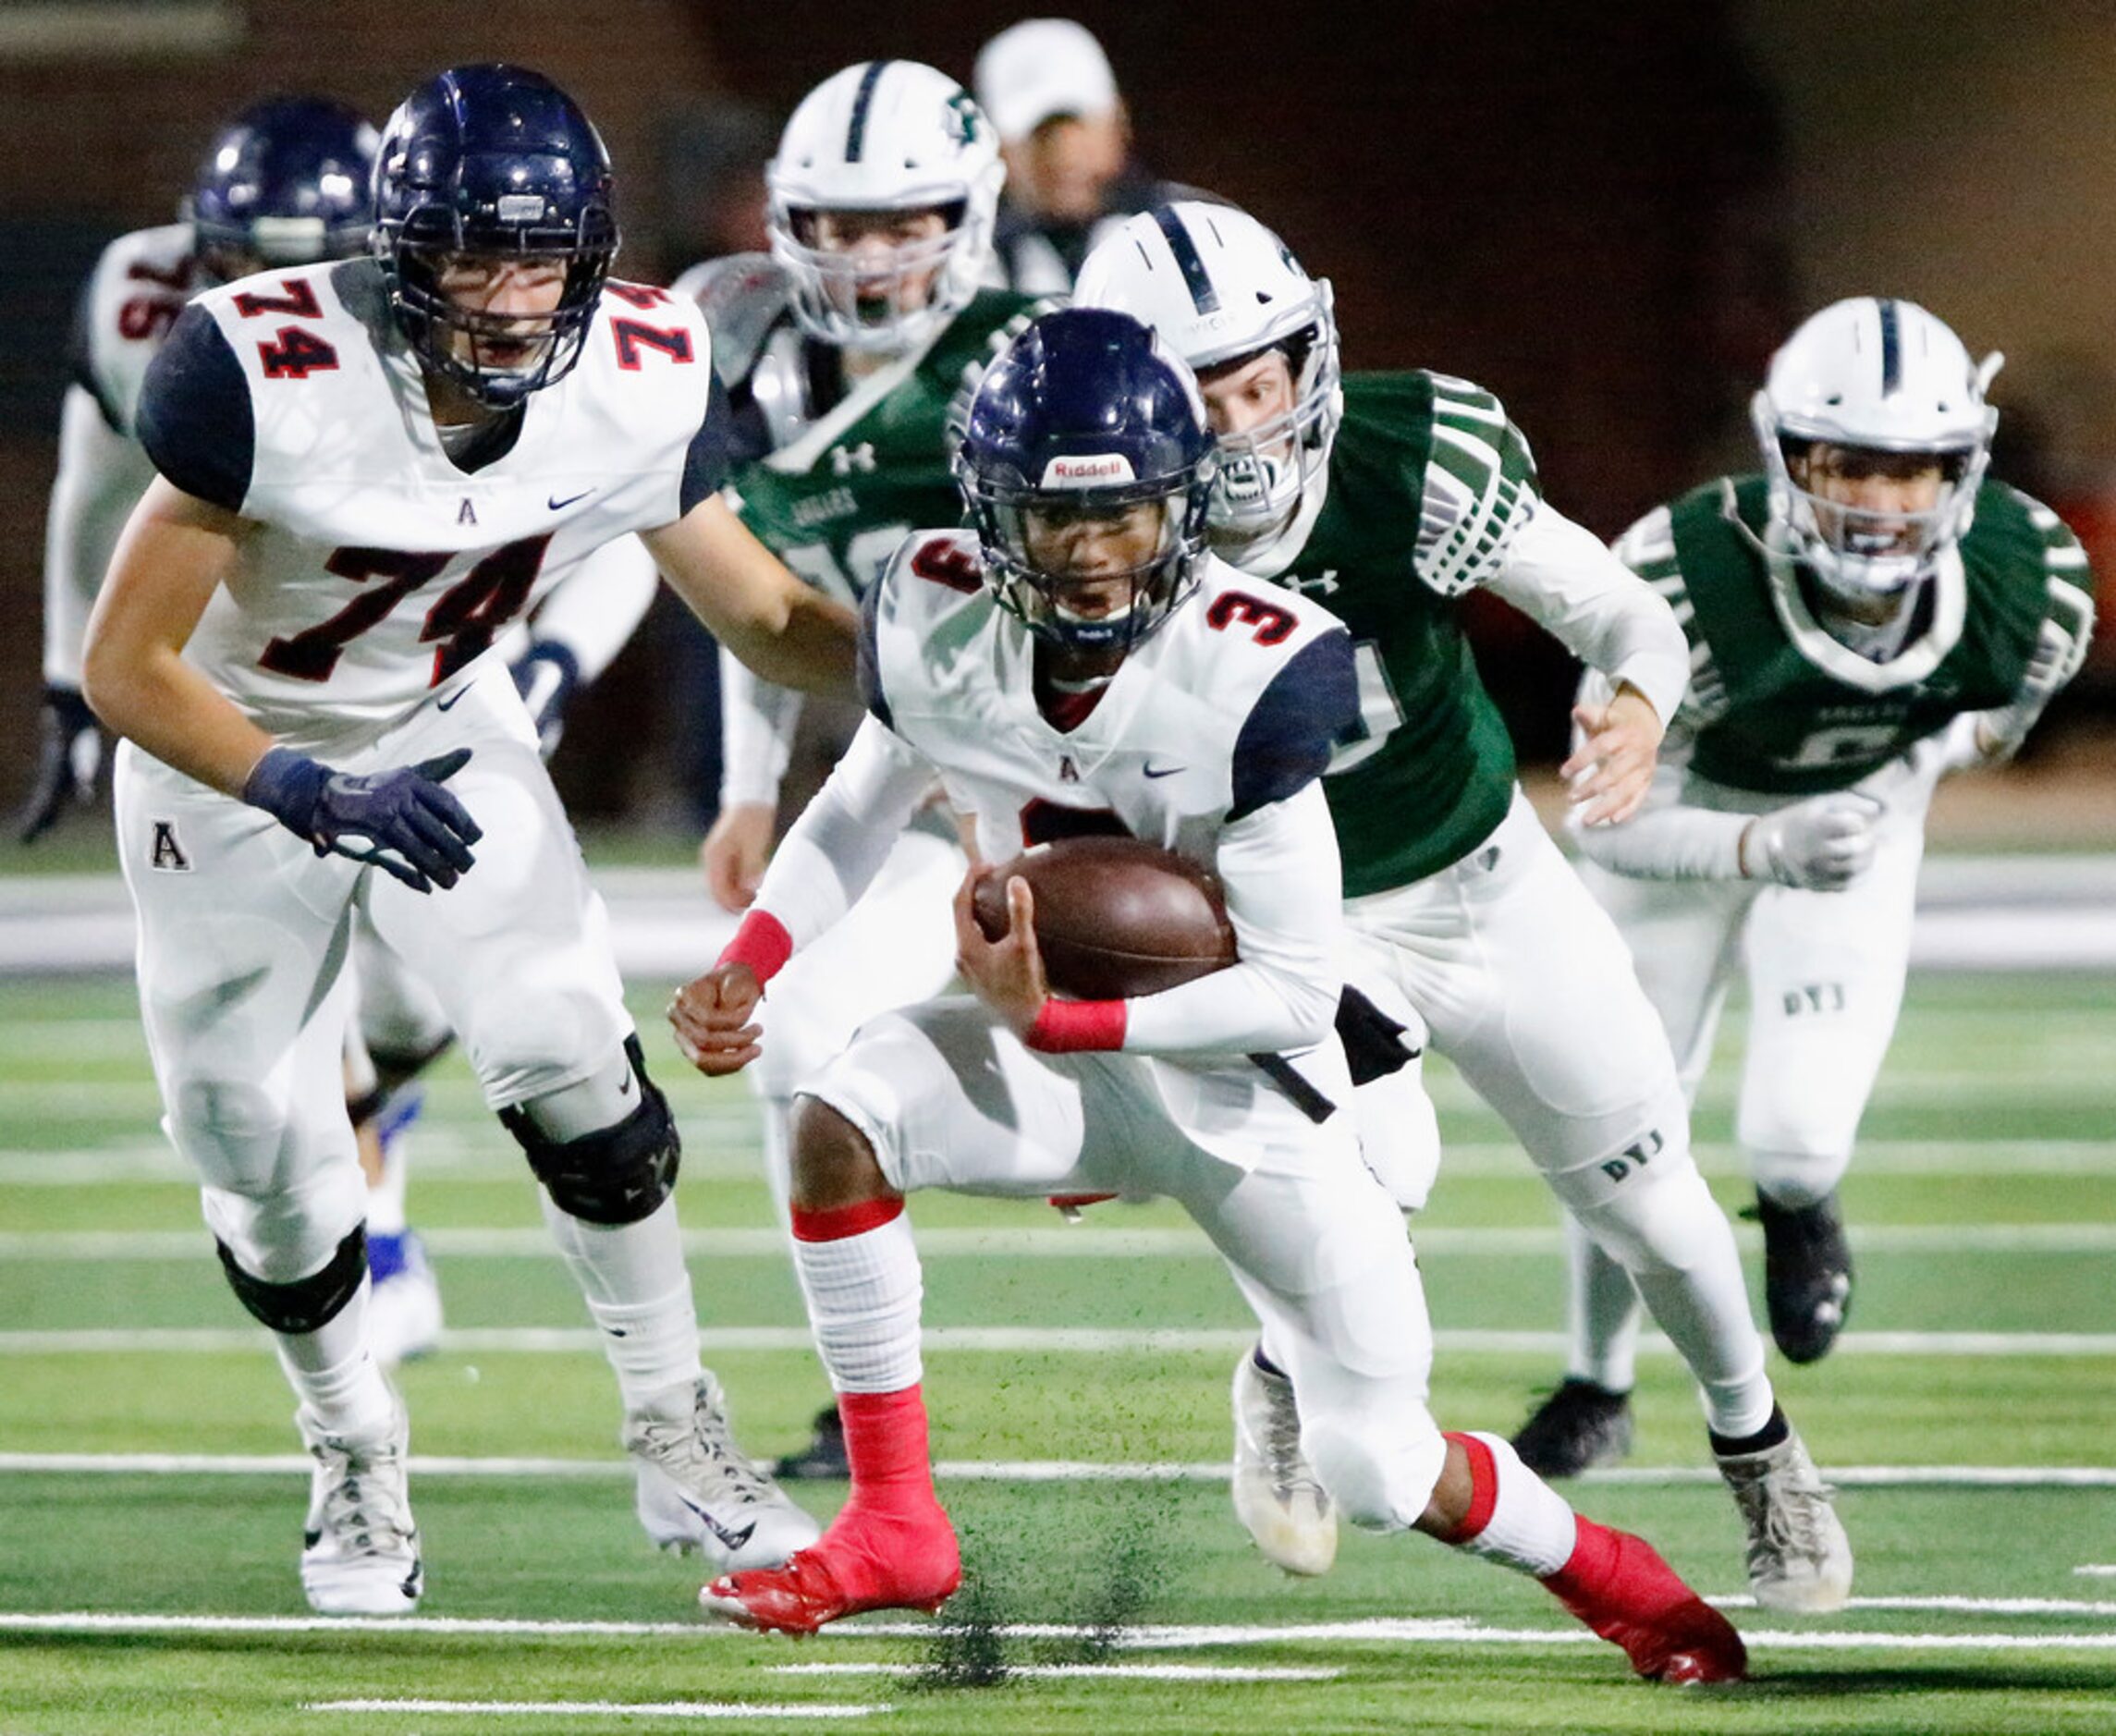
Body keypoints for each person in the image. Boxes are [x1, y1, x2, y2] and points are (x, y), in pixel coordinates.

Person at [667, 307, 1747, 1685]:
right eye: (1056, 522)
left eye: (1125, 515)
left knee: (1376, 1463)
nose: (1096, 554)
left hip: (1246, 1079)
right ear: (988, 514)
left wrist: (1060, 1018)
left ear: (1183, 503)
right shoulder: (929, 607)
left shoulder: (1255, 660)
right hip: (1062, 1041)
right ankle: (893, 1523)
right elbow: (862, 800)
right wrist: (750, 961)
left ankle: (1626, 1583)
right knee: (838, 1116)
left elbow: (1293, 994)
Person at [79, 63, 853, 1616]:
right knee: (263, 1161)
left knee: (572, 1049)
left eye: (539, 257)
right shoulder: (258, 364)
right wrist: (303, 791)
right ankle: (352, 1441)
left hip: (441, 726)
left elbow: (763, 613)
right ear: (398, 251)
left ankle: (672, 1425)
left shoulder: (634, 364)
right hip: (230, 763)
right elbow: (126, 667)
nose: (510, 297)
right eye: (471, 258)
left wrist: (956, 668)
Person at [1073, 202, 1851, 1611]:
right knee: (1372, 1173)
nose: (1248, 426)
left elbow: (1621, 613)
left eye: (1265, 377)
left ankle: (1761, 1449)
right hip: (1295, 923)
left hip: (1486, 876)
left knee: (1657, 1206)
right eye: (1203, 396)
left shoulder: (1408, 453)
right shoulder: (1088, 533)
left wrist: (1634, 701)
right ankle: (1287, 1377)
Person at [1544, 297, 2094, 1449]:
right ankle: (1598, 1384)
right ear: (1783, 452)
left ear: (1964, 468)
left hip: (1852, 829)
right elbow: (1603, 823)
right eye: (1845, 464)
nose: (1879, 505)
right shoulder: (1678, 574)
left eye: (1913, 471)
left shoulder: (2032, 573)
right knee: (1615, 1132)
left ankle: (1800, 1209)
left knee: (1797, 1137)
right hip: (1685, 832)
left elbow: (1987, 732)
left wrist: (1893, 792)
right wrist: (1762, 845)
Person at [20, 93, 459, 1364]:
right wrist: (68, 676)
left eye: (296, 267)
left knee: (409, 991)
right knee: (258, 1000)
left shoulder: (434, 319)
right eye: (241, 264)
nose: (268, 296)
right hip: (215, 662)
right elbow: (93, 485)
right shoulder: (137, 296)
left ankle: (375, 1154)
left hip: (386, 655)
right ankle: (370, 1234)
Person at [677, 56, 1051, 1483]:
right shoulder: (747, 344)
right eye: (835, 223)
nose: (867, 255)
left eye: (903, 222)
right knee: (797, 1029)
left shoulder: (1034, 356)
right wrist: (748, 785)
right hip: (899, 770)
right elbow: (750, 596)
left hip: (1064, 774)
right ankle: (866, 1394)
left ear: (968, 211)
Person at [972, 18, 1194, 294]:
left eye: (1078, 129)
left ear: (1119, 121)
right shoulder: (970, 266)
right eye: (1038, 137)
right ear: (997, 150)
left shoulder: (1199, 228)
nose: (1064, 157)